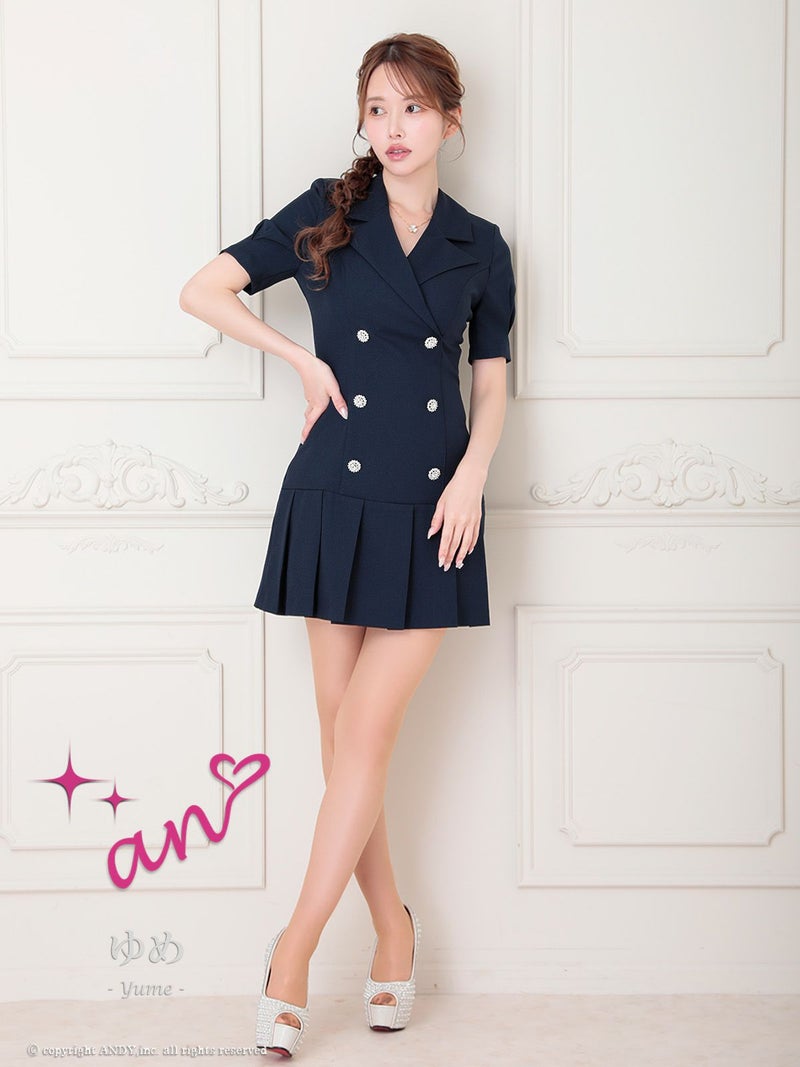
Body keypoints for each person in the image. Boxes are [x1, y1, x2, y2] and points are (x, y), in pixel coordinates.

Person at [179, 30, 515, 1058]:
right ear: (362, 119)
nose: (394, 127)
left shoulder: (480, 244)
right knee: (347, 748)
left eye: (413, 108)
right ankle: (394, 929)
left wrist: (474, 473)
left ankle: (290, 955)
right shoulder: (328, 211)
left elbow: (492, 379)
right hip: (332, 493)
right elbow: (202, 289)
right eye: (378, 108)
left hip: (433, 508)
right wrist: (299, 359)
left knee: (362, 736)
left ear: (451, 119)